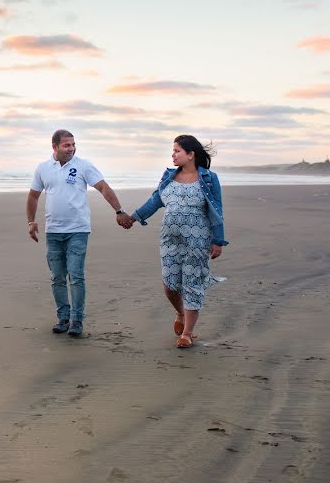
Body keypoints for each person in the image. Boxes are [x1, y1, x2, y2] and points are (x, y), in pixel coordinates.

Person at [117, 135, 229, 348]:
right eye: (173, 150)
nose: (173, 154)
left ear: (191, 154)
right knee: (170, 285)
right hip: (170, 239)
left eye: (177, 150)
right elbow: (155, 201)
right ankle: (180, 313)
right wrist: (133, 217)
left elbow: (217, 210)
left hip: (197, 240)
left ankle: (187, 333)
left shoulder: (208, 178)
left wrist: (218, 240)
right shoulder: (169, 176)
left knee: (192, 284)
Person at [27, 129, 128, 338]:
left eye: (73, 144)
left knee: (76, 276)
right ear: (54, 147)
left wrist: (119, 211)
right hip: (53, 231)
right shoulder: (43, 168)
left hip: (78, 230)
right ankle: (63, 318)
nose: (71, 148)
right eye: (66, 145)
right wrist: (31, 221)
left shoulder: (83, 165)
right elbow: (34, 196)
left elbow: (103, 187)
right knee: (57, 277)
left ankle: (77, 320)